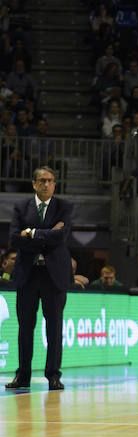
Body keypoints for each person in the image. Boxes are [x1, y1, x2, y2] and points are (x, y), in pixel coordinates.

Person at [6, 167, 72, 391]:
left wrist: (32, 233)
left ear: (55, 184)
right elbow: (14, 239)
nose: (46, 184)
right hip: (27, 274)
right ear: (34, 183)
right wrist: (47, 234)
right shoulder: (20, 206)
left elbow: (61, 236)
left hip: (54, 276)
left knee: (54, 329)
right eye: (42, 180)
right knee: (25, 328)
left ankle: (53, 375)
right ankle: (22, 375)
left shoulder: (64, 206)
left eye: (50, 181)